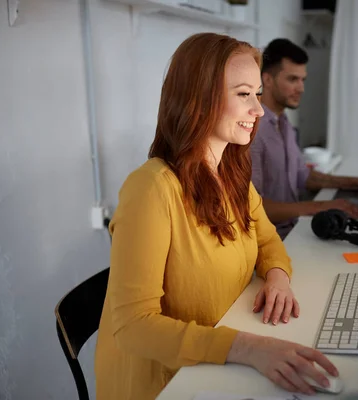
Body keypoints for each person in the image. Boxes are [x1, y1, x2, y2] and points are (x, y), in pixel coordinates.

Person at [94, 33, 338, 400]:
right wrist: (248, 347)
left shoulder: (231, 174)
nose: (258, 110)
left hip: (214, 361)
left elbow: (268, 240)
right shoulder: (151, 189)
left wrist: (277, 278)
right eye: (243, 94)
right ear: (197, 100)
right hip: (165, 383)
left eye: (257, 94)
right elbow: (133, 326)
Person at [251, 38, 358, 239]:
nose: (301, 88)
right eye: (293, 79)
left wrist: (357, 183)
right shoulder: (252, 130)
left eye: (303, 80)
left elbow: (303, 177)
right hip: (272, 241)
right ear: (267, 80)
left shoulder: (283, 123)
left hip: (294, 229)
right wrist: (321, 206)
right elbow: (251, 208)